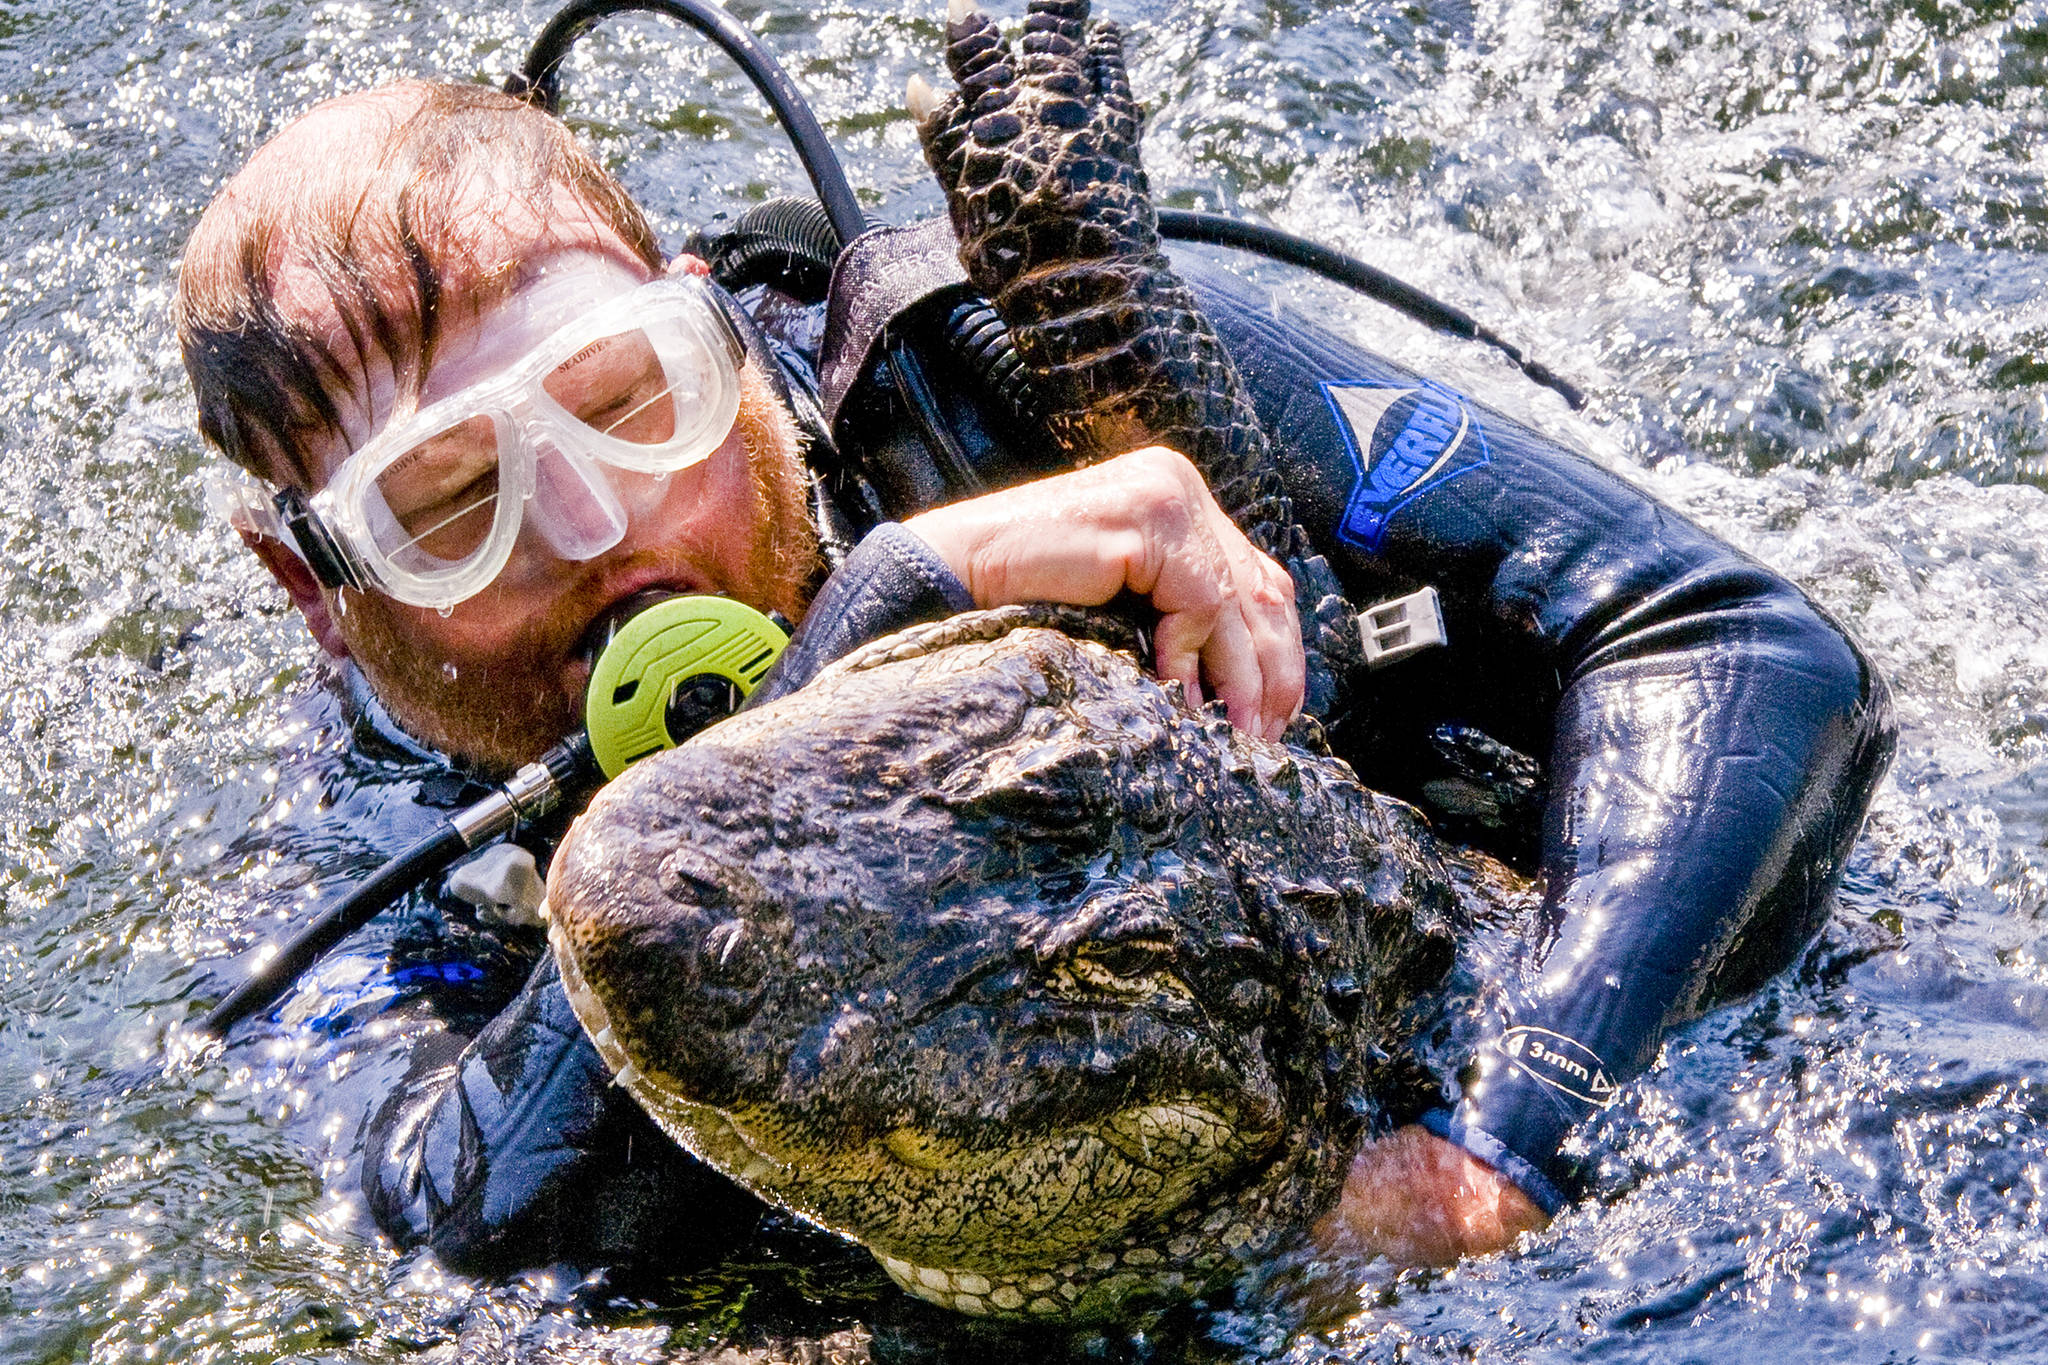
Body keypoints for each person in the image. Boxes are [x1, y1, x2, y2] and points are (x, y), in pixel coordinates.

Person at [174, 78, 1892, 1280]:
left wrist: (1503, 1133)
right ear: (319, 591)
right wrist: (896, 600)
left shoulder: (1012, 362)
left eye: (632, 401)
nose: (599, 526)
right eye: (452, 504)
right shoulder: (365, 837)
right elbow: (450, 1227)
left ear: (707, 322)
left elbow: (1746, 648)